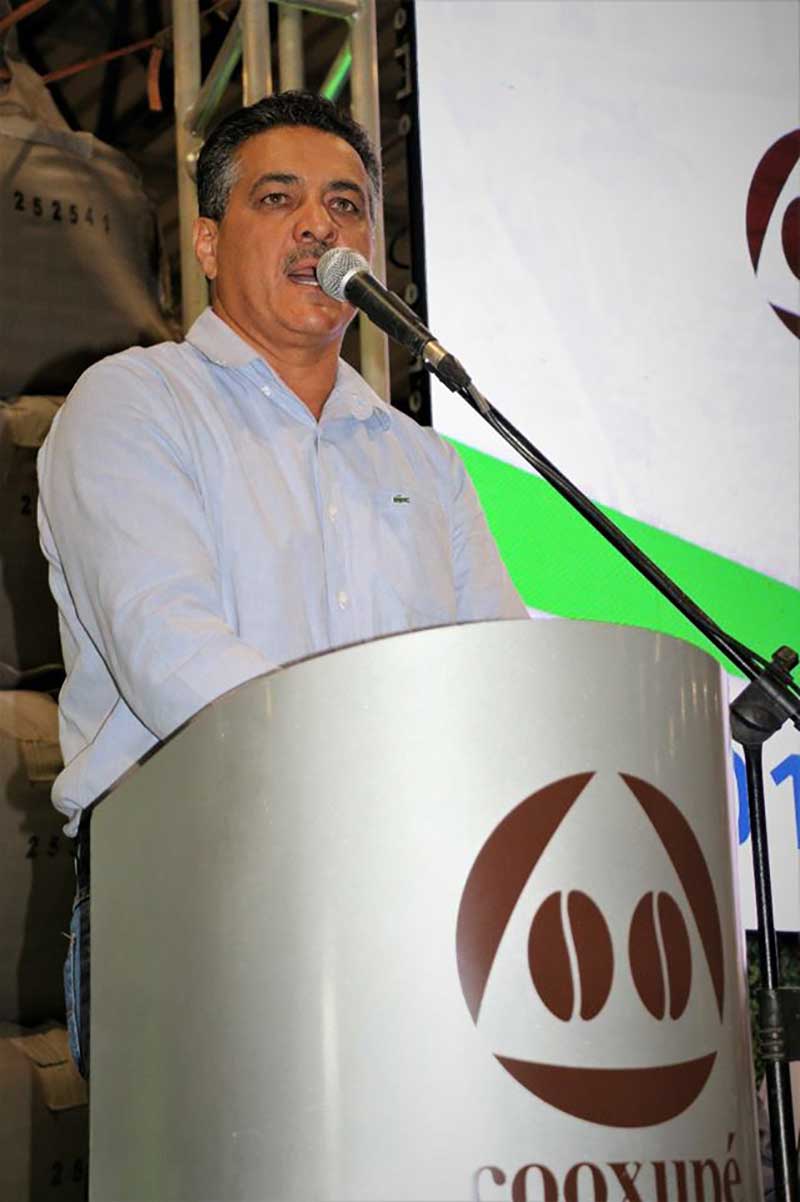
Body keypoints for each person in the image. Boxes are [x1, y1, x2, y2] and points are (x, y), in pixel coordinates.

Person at [37, 91, 527, 1076]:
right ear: (208, 243)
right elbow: (172, 653)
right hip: (191, 880)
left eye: (346, 205)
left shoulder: (425, 461)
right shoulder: (134, 403)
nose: (319, 225)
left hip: (414, 909)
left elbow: (499, 677)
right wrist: (380, 789)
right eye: (279, 198)